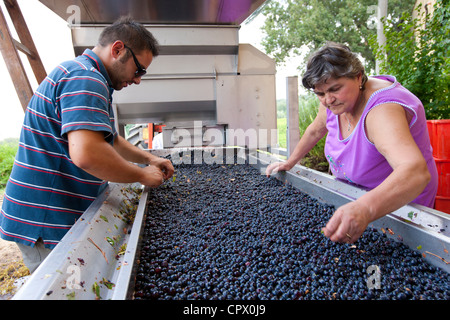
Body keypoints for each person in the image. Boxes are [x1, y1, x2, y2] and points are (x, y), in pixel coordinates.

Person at [0, 17, 174, 273]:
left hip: (51, 211)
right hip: (46, 219)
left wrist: (149, 159)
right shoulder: (85, 79)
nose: (138, 80)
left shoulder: (86, 75)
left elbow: (109, 139)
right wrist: (141, 175)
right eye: (139, 70)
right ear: (117, 50)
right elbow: (87, 154)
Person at [266, 42, 438, 244]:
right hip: (357, 201)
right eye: (320, 93)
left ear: (358, 76)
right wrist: (290, 161)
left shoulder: (381, 111)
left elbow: (415, 172)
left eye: (334, 89)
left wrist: (365, 207)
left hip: (399, 206)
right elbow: (316, 130)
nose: (328, 100)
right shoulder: (334, 101)